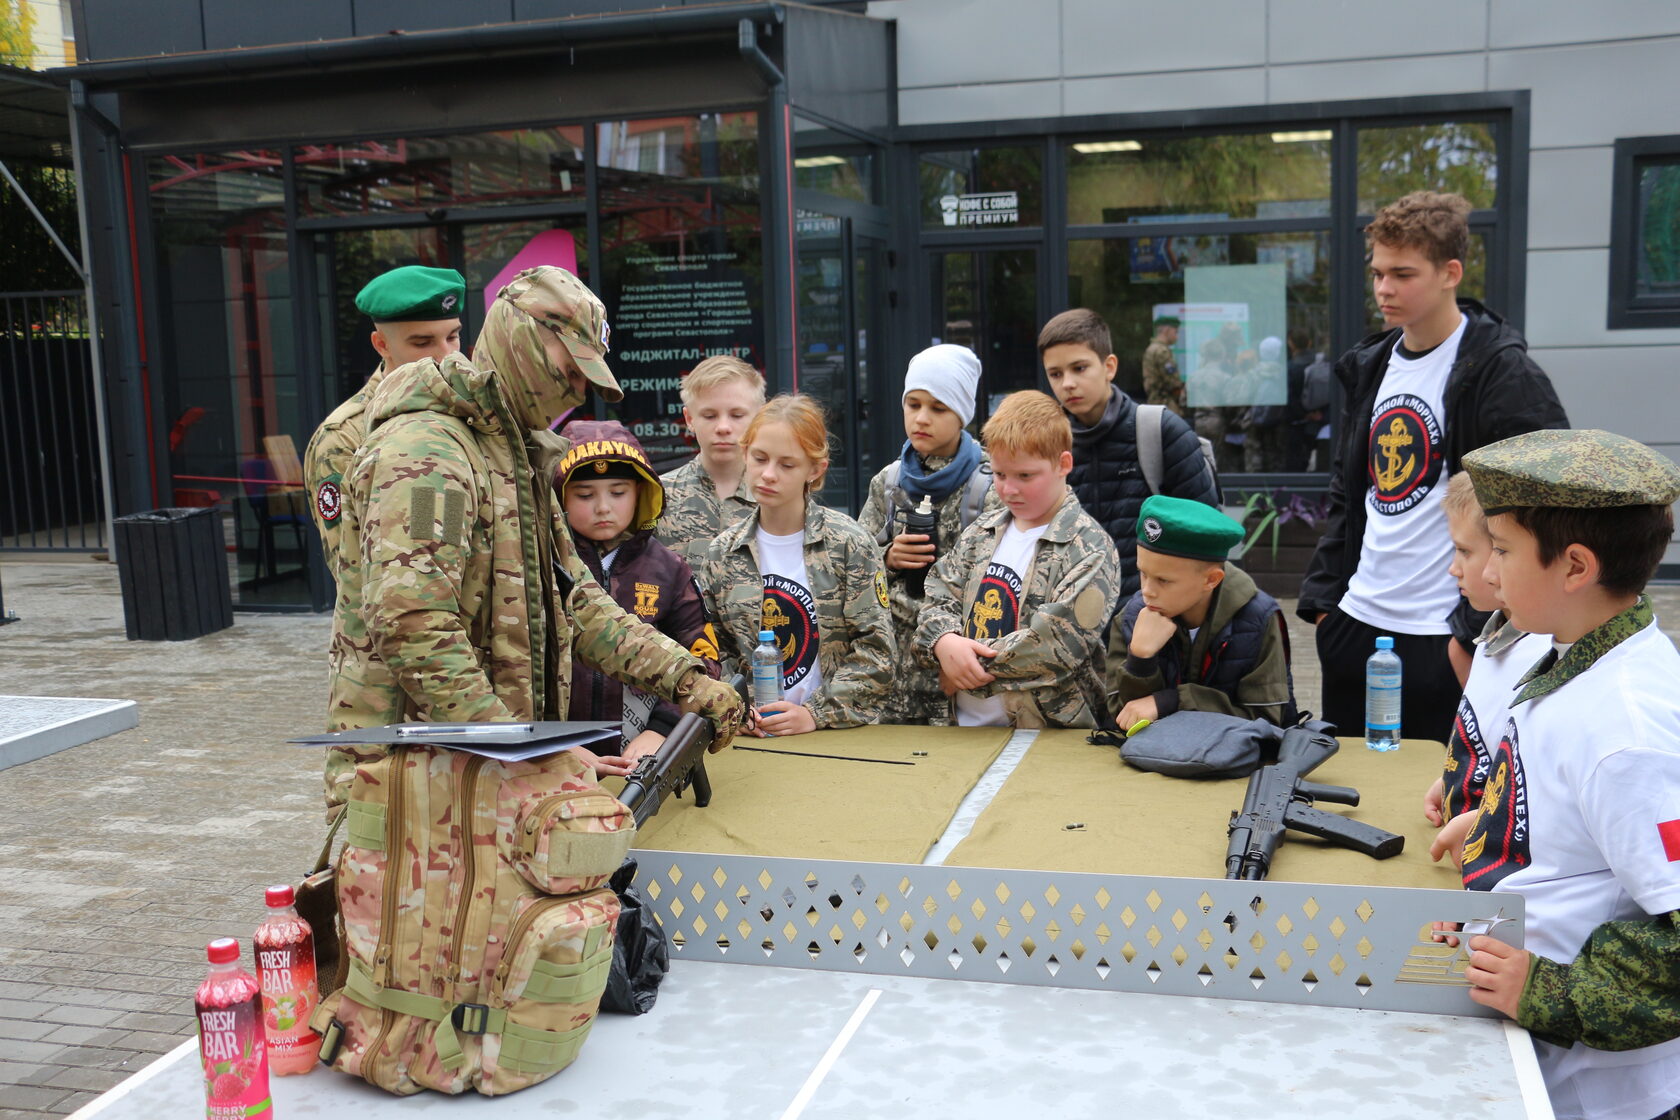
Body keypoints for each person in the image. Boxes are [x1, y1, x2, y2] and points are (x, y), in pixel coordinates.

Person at [323, 266, 744, 808]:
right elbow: (414, 626)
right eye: (569, 371)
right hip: (416, 789)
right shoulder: (428, 455)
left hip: (483, 776)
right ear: (522, 343)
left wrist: (686, 679)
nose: (576, 392)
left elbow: (577, 601)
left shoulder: (514, 453)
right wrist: (526, 751)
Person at [1430, 428, 1680, 1120]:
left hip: (1601, 1092)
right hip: (1542, 1055)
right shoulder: (1573, 657)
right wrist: (1491, 822)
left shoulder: (1627, 730)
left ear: (1574, 567)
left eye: (1503, 551)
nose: (1488, 573)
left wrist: (1545, 991)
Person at [1298, 190, 1567, 740]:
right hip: (1356, 624)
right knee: (1346, 782)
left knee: (1443, 787)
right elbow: (1350, 492)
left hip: (1443, 635)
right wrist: (1327, 608)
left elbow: (1546, 506)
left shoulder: (1502, 372)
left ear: (1450, 273)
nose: (1384, 289)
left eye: (1403, 274)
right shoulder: (1370, 366)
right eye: (1378, 273)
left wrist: (1471, 634)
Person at [918, 391, 1120, 729]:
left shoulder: (1090, 547)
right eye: (999, 475)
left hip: (1047, 735)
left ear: (1063, 464)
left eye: (1025, 476)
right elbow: (938, 595)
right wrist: (943, 641)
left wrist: (963, 665)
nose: (1009, 489)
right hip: (962, 728)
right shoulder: (981, 532)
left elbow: (1057, 645)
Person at [699, 394, 894, 735]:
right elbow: (713, 650)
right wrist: (736, 710)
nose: (768, 474)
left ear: (814, 470)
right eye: (760, 458)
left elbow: (877, 652)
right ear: (745, 454)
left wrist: (815, 714)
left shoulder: (848, 544)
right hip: (751, 736)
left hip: (836, 734)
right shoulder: (722, 554)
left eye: (787, 465)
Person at [555, 418, 723, 764]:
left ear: (641, 492)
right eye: (584, 495)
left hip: (644, 758)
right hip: (556, 755)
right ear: (558, 498)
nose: (603, 507)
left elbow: (703, 656)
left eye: (618, 492)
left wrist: (663, 728)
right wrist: (553, 744)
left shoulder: (669, 569)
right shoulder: (540, 565)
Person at [856, 344, 1000, 724]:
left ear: (962, 414)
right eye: (913, 404)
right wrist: (888, 558)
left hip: (956, 680)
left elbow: (1001, 589)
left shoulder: (991, 485)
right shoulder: (888, 482)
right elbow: (852, 572)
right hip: (889, 680)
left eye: (938, 408)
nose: (922, 418)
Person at [1038, 307, 1218, 606]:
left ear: (1109, 367)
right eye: (1055, 374)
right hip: (1071, 619)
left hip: (1154, 614)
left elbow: (1206, 537)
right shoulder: (1046, 444)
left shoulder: (1161, 431)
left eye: (1079, 368)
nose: (1067, 383)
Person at [305, 265, 466, 578]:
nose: (446, 354)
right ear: (381, 344)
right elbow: (352, 570)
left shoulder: (471, 411)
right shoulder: (345, 437)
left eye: (453, 336)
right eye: (423, 343)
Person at [1421, 473, 1547, 827]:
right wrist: (1454, 782)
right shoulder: (1494, 635)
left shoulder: (1542, 656)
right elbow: (1489, 747)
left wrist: (1485, 820)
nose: (1453, 568)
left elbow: (1538, 785)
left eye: (1464, 551)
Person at [1111, 494, 1295, 729]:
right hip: (1151, 750)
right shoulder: (1132, 616)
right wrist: (1140, 660)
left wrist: (1174, 701)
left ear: (1211, 580)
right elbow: (1120, 717)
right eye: (1143, 573)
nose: (1147, 591)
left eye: (1164, 580)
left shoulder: (1258, 619)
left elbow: (1266, 721)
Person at [657, 354, 766, 567]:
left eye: (737, 415)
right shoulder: (658, 498)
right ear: (689, 419)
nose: (723, 427)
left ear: (759, 418)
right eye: (710, 416)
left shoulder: (782, 496)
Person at [1141, 315, 1184, 417]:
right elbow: (1173, 383)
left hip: (1155, 404)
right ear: (1166, 330)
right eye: (1175, 332)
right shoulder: (1162, 351)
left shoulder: (1151, 349)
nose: (1177, 336)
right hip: (1166, 406)